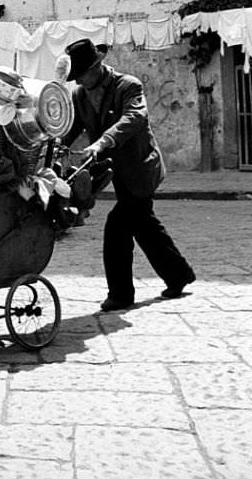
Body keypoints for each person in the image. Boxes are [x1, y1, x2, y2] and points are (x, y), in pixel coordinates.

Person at [63, 39, 195, 312]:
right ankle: (178, 275)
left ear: (97, 66)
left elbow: (135, 117)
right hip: (117, 171)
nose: (80, 81)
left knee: (117, 226)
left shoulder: (128, 85)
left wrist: (102, 142)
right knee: (143, 224)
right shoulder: (79, 95)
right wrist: (54, 145)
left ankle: (121, 294)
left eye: (83, 74)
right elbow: (72, 127)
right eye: (76, 77)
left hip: (140, 167)